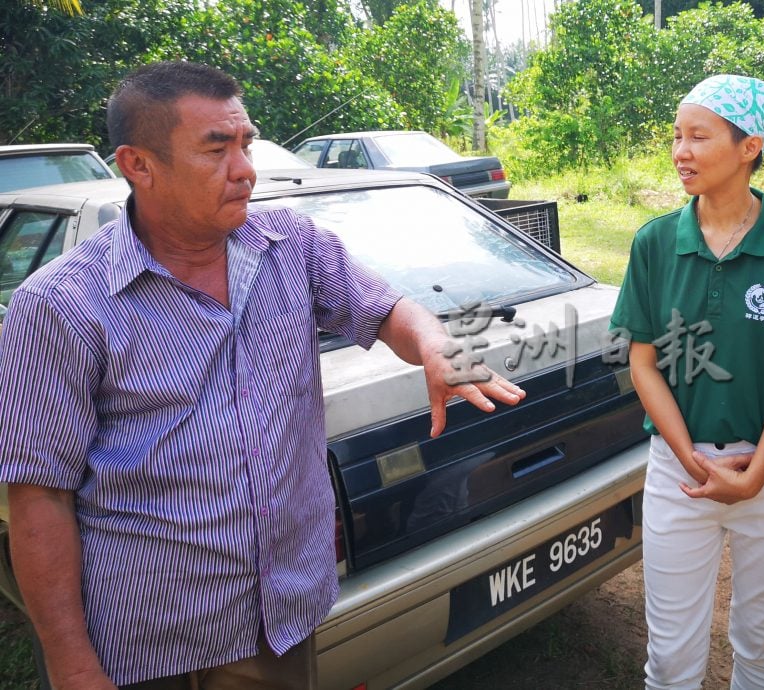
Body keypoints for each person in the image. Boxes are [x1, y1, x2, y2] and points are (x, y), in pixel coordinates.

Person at [0, 61, 524, 689]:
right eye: (215, 149)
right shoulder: (60, 306)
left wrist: (440, 348)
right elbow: (39, 498)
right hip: (144, 641)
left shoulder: (292, 247)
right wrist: (72, 665)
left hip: (278, 623)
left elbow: (387, 309)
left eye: (245, 143)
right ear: (137, 165)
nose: (245, 168)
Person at [610, 74, 764, 689]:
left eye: (698, 136)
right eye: (676, 137)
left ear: (749, 146)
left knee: (763, 649)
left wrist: (757, 474)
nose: (680, 151)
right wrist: (688, 456)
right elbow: (643, 362)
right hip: (678, 477)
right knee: (669, 656)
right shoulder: (655, 243)